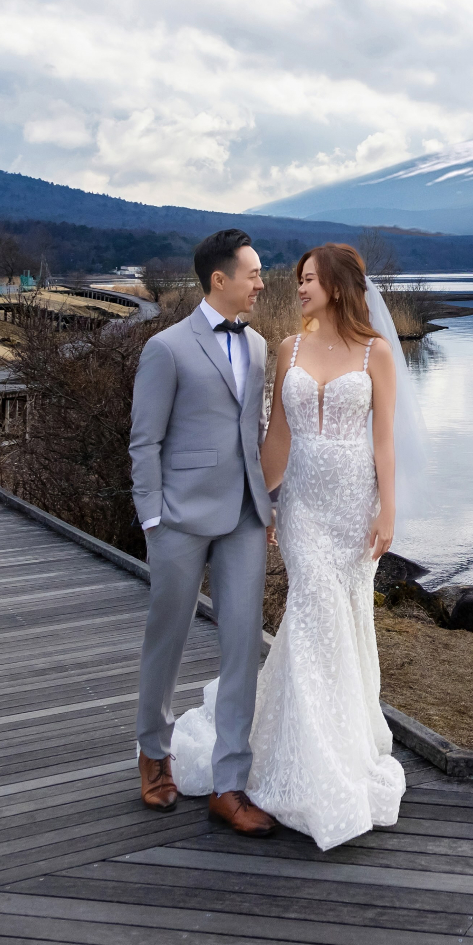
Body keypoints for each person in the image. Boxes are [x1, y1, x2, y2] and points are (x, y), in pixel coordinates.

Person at [167, 242, 409, 847]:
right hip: (301, 507)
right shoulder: (287, 349)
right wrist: (257, 499)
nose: (297, 288)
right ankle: (305, 758)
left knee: (341, 618)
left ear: (337, 284)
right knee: (312, 614)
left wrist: (389, 510)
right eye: (297, 279)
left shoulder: (377, 353)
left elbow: (385, 444)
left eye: (308, 279)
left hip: (353, 508)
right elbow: (277, 439)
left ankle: (336, 744)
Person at [129, 228, 276, 836]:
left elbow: (257, 430)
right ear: (220, 280)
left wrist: (269, 504)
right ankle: (153, 753)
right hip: (179, 519)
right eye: (254, 274)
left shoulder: (261, 346)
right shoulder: (166, 348)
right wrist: (153, 518)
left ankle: (229, 784)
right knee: (167, 637)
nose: (262, 284)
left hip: (245, 515)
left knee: (244, 644)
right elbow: (145, 440)